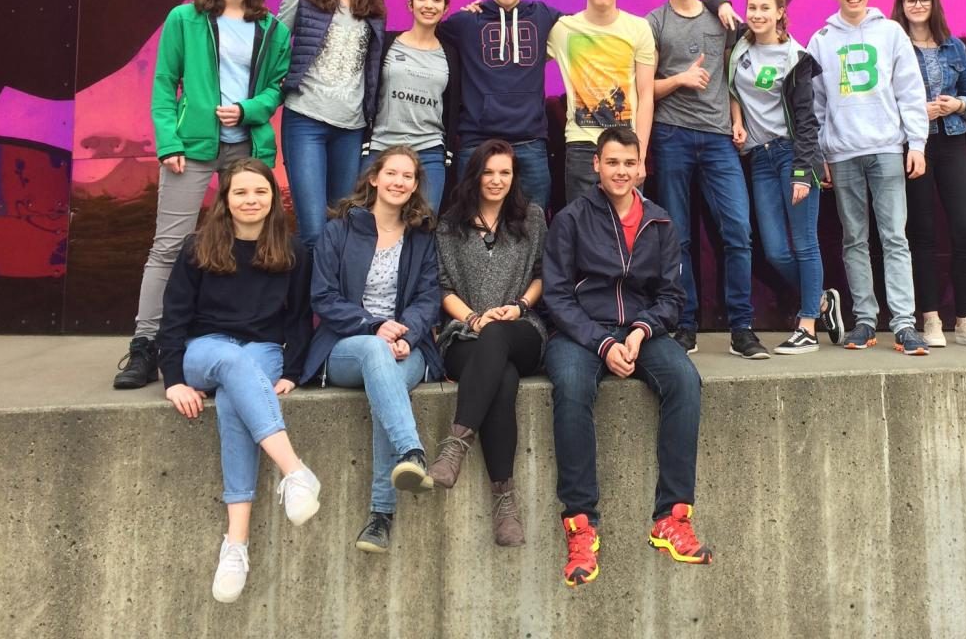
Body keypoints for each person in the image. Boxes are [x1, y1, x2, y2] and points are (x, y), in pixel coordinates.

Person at [114, 0, 291, 390]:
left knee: (246, 245)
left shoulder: (273, 29)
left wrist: (249, 110)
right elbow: (163, 84)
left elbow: (276, 88)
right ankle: (145, 345)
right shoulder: (184, 18)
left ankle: (226, 334)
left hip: (246, 149)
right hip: (191, 147)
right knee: (169, 245)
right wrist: (168, 141)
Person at [540, 127, 711, 587]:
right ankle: (580, 526)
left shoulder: (660, 220)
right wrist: (602, 343)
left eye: (629, 163)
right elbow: (555, 297)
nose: (621, 171)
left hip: (641, 330)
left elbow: (672, 297)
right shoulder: (571, 219)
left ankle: (671, 518)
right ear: (596, 165)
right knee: (573, 388)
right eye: (611, 162)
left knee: (685, 381)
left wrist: (640, 330)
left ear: (642, 167)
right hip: (580, 333)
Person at [157, 159, 319, 603]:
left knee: (233, 400)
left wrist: (291, 371)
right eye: (241, 193)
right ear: (225, 201)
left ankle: (236, 544)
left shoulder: (293, 252)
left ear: (273, 198)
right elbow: (172, 319)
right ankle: (295, 471)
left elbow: (299, 318)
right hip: (204, 351)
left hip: (262, 351)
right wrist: (173, 379)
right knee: (230, 361)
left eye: (260, 192)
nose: (251, 200)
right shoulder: (197, 248)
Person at [299, 146, 442, 553]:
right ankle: (412, 453)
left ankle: (380, 518)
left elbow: (429, 298)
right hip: (347, 346)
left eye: (408, 176)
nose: (399, 182)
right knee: (376, 356)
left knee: (389, 379)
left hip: (407, 348)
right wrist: (376, 327)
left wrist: (406, 334)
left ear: (415, 186)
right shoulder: (339, 230)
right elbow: (323, 297)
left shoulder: (421, 236)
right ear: (374, 178)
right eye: (392, 173)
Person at [648, 0, 767, 359]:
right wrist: (679, 79)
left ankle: (742, 328)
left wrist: (736, 121)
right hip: (671, 136)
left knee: (738, 232)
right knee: (676, 238)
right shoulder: (654, 23)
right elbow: (644, 88)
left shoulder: (722, 19)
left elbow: (734, 77)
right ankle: (685, 325)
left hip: (718, 139)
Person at [807, 0, 931, 355]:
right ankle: (864, 321)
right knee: (854, 239)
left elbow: (910, 90)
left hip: (886, 149)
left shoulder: (891, 32)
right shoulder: (822, 39)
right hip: (843, 153)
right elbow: (815, 104)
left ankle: (905, 325)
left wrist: (917, 144)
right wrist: (822, 152)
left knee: (895, 237)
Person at [431, 140, 548, 546]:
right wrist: (471, 318)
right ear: (475, 174)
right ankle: (505, 503)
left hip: (521, 328)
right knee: (502, 379)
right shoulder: (449, 224)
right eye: (489, 172)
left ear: (514, 177)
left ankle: (455, 445)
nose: (497, 180)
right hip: (464, 333)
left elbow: (541, 275)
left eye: (505, 172)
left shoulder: (531, 218)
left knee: (499, 340)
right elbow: (442, 286)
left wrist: (517, 307)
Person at [727, 0, 841, 354]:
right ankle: (822, 299)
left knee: (805, 243)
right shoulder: (740, 46)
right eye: (751, 7)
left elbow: (807, 121)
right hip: (759, 157)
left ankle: (808, 325)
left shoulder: (796, 57)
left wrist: (802, 171)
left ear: (780, 13)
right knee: (775, 251)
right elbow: (733, 89)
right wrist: (738, 119)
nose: (757, 14)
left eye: (765, 8)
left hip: (792, 156)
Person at [891, 0, 966, 348]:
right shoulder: (895, 46)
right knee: (923, 235)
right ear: (901, 6)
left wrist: (959, 105)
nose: (917, 5)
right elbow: (885, 98)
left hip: (952, 142)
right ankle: (930, 319)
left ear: (934, 4)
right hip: (915, 147)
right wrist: (918, 112)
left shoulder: (955, 47)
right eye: (910, 0)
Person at [278, 0, 386, 250]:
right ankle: (305, 304)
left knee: (341, 228)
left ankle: (333, 304)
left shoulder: (372, 0)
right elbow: (276, 45)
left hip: (351, 127)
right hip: (305, 119)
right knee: (312, 230)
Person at [439, 0, 559, 210]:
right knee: (472, 223)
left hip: (530, 142)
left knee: (534, 223)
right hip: (477, 142)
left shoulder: (544, 16)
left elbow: (587, 28)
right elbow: (424, 37)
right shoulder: (466, 22)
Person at [547, 0, 657, 200]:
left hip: (625, 144)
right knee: (584, 227)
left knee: (627, 228)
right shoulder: (563, 29)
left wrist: (639, 155)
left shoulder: (638, 28)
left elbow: (646, 94)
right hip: (581, 144)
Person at [367, 0, 456, 212]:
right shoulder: (385, 43)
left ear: (446, 7)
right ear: (410, 4)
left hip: (428, 150)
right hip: (382, 146)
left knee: (423, 228)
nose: (429, 5)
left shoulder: (451, 53)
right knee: (368, 224)